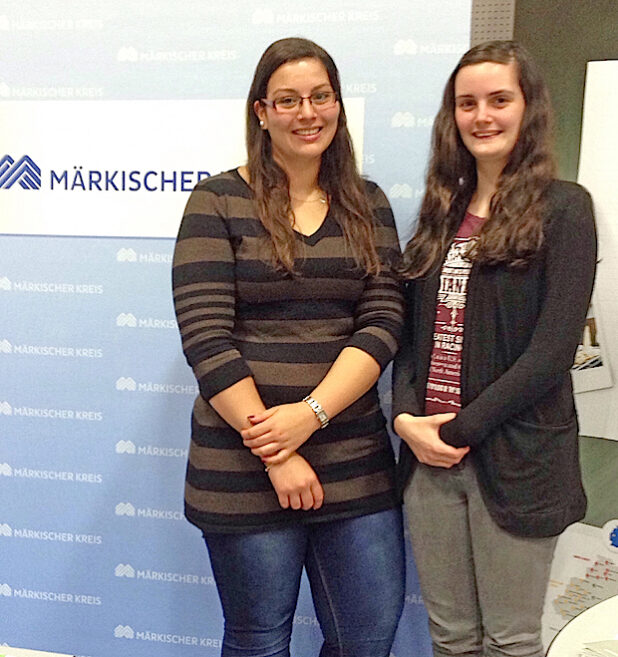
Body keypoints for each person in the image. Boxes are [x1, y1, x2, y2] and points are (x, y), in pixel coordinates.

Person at [172, 37, 405, 657]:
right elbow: (206, 336)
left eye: (321, 96)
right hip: (244, 464)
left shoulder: (368, 202)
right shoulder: (217, 200)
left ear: (337, 104)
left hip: (353, 455)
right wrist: (277, 450)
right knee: (260, 640)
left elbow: (382, 319)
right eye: (288, 100)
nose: (308, 113)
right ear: (261, 112)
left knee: (367, 637)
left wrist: (312, 415)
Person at [393, 40, 596, 657]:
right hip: (428, 462)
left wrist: (457, 429)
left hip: (517, 460)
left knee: (510, 642)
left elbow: (552, 351)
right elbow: (409, 338)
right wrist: (406, 419)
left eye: (499, 100)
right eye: (467, 103)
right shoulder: (440, 213)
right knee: (451, 639)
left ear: (527, 108)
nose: (482, 116)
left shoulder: (566, 209)